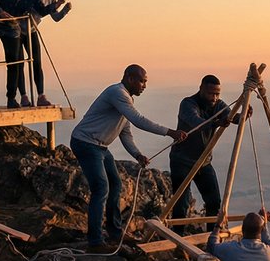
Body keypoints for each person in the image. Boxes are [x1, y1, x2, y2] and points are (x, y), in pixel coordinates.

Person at [69, 65, 185, 248]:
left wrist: (137, 154)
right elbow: (139, 120)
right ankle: (95, 241)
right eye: (142, 81)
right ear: (129, 78)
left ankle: (114, 233)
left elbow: (125, 132)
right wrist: (170, 132)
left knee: (115, 184)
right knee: (101, 188)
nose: (144, 85)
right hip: (86, 143)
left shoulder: (125, 100)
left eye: (145, 81)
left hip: (99, 147)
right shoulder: (118, 93)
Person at [168, 74, 246, 234]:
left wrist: (244, 115)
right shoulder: (188, 104)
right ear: (201, 89)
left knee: (214, 202)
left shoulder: (218, 105)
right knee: (181, 203)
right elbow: (196, 123)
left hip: (204, 162)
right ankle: (178, 239)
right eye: (211, 93)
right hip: (182, 161)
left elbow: (232, 118)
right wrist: (216, 123)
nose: (215, 97)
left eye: (217, 93)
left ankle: (212, 237)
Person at [20, 0, 71, 107]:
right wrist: (58, 3)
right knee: (18, 63)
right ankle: (24, 97)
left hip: (32, 29)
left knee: (37, 63)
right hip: (18, 27)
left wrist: (65, 9)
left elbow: (55, 17)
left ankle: (41, 96)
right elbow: (41, 10)